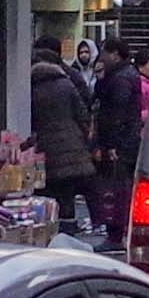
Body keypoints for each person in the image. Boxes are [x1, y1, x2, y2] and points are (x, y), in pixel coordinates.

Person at [30, 39, 100, 243]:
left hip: (44, 148)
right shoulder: (66, 82)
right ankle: (69, 234)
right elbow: (83, 112)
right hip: (73, 146)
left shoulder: (30, 86)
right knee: (68, 192)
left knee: (49, 191)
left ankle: (52, 231)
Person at [89, 39, 149, 247]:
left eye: (104, 52)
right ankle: (117, 230)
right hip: (126, 140)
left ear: (114, 54)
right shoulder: (123, 74)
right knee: (120, 188)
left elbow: (117, 112)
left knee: (118, 188)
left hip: (121, 143)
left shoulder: (121, 78)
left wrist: (113, 144)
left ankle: (116, 233)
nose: (101, 57)